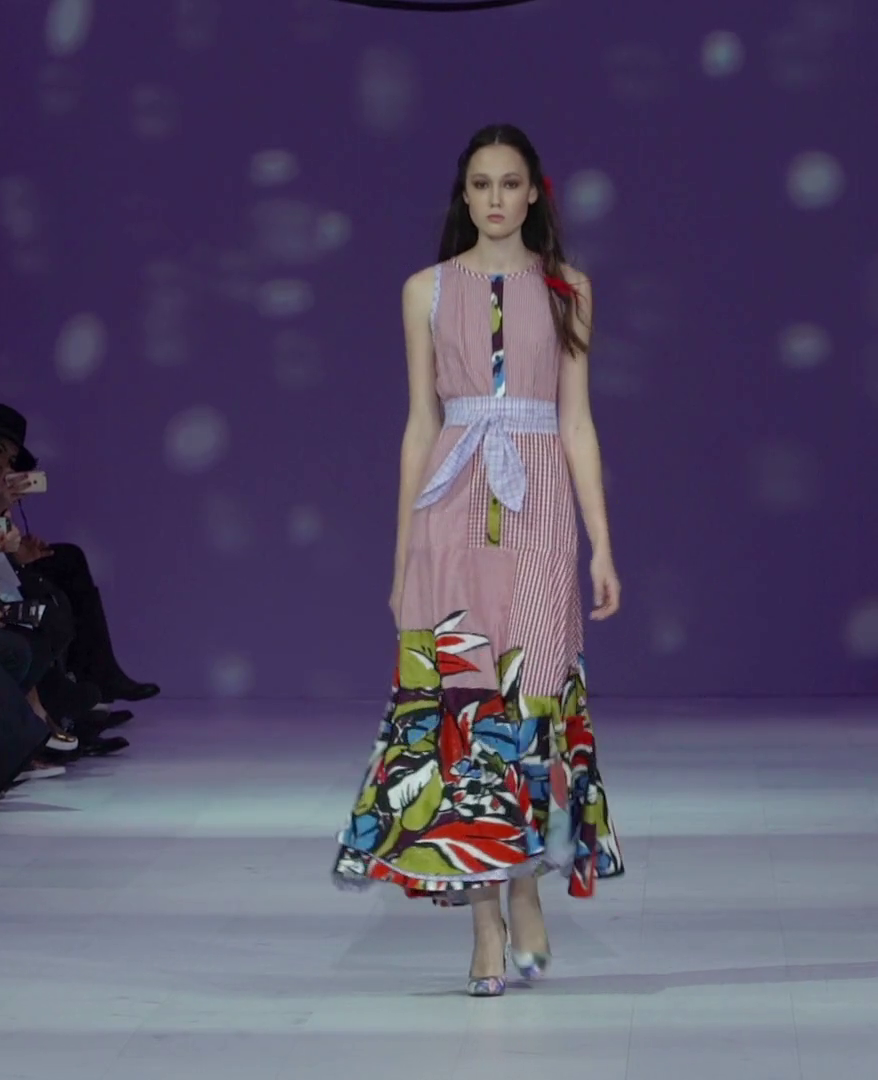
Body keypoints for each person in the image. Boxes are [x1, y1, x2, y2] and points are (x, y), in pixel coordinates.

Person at [329, 123, 625, 998]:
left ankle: (524, 884)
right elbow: (419, 425)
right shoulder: (423, 291)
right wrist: (399, 563)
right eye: (482, 184)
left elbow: (578, 422)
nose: (496, 198)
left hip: (539, 512)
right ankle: (488, 922)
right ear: (464, 195)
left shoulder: (569, 289)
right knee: (463, 713)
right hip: (450, 512)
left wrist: (603, 543)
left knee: (528, 708)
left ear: (535, 193)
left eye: (510, 183)